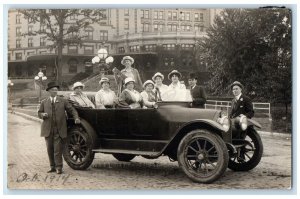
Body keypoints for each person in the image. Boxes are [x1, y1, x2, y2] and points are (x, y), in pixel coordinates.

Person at [38, 82, 80, 174]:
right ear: (49, 91)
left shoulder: (63, 101)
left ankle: (59, 167)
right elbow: (39, 112)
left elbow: (72, 109)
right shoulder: (44, 102)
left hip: (59, 129)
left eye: (56, 90)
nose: (55, 91)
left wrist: (76, 118)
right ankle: (52, 166)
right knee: (50, 149)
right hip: (48, 129)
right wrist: (42, 115)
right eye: (53, 90)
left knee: (58, 149)